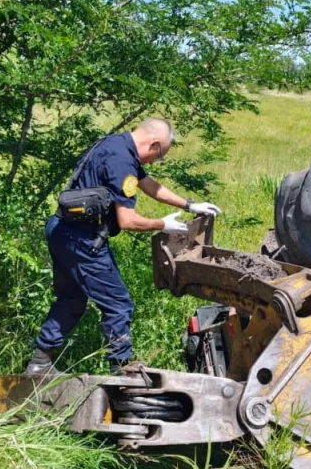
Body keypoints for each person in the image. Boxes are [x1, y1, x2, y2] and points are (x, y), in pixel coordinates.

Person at [25, 117, 221, 376]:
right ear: (153, 144)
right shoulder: (122, 160)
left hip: (61, 231)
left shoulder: (115, 144)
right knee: (118, 303)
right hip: (82, 240)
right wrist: (161, 224)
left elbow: (148, 183)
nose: (154, 161)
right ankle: (121, 370)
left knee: (72, 298)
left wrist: (188, 204)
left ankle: (39, 364)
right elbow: (127, 220)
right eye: (159, 155)